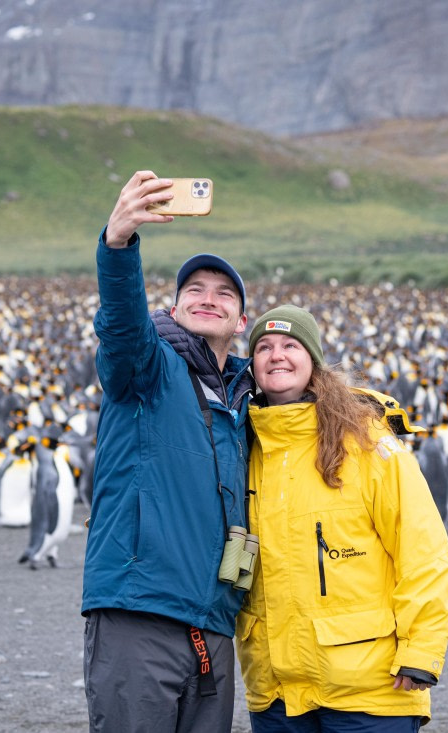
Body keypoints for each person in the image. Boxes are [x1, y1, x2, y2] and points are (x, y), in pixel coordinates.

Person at [82, 171, 255, 733]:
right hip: (141, 611)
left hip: (213, 623)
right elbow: (123, 325)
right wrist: (118, 243)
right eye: (195, 291)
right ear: (175, 309)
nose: (209, 298)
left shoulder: (245, 404)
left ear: (241, 322)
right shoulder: (148, 369)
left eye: (224, 293)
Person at [237, 304, 448, 732]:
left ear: (314, 361)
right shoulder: (242, 447)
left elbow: (422, 548)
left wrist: (422, 651)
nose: (276, 355)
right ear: (252, 364)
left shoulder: (367, 442)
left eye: (290, 345)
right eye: (263, 347)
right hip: (276, 690)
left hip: (370, 689)